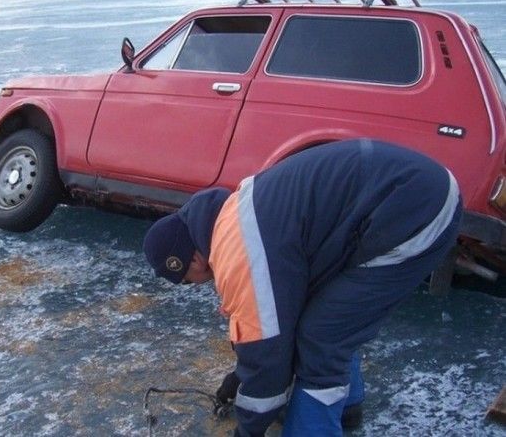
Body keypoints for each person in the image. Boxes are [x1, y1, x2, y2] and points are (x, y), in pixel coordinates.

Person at [142, 139, 462, 436]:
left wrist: (248, 430)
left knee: (323, 337)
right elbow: (279, 318)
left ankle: (314, 424)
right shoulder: (235, 215)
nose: (194, 285)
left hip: (414, 212)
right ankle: (346, 406)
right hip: (412, 192)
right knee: (325, 313)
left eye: (186, 280)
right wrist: (240, 376)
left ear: (191, 260)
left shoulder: (236, 254)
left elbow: (269, 355)